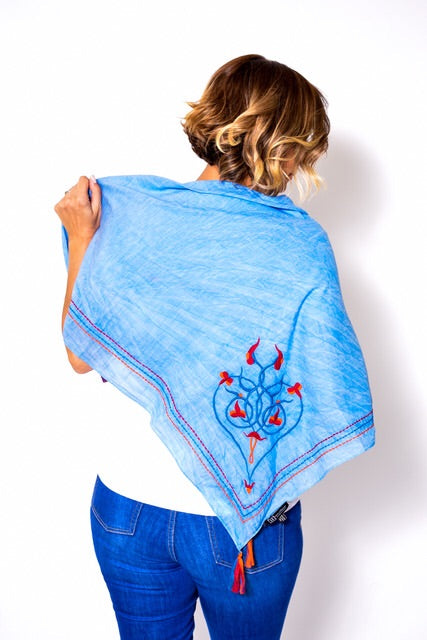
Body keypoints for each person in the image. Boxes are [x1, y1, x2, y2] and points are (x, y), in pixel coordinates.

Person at [54, 54, 374, 640]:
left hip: (127, 508)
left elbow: (80, 355)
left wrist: (82, 238)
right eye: (302, 151)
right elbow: (332, 387)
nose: (301, 167)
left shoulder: (131, 217)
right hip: (241, 534)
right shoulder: (300, 244)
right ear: (279, 144)